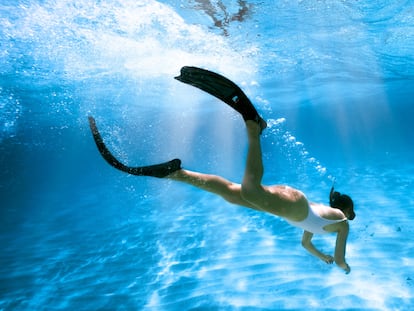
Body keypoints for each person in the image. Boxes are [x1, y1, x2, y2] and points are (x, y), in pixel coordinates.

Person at [88, 66, 355, 274]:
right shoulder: (342, 225)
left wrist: (323, 258)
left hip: (294, 205)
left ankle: (176, 173)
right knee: (251, 189)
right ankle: (254, 128)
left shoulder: (327, 221)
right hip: (295, 206)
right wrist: (343, 267)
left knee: (230, 193)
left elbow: (306, 243)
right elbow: (342, 257)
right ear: (348, 212)